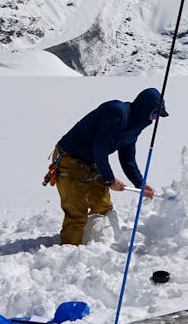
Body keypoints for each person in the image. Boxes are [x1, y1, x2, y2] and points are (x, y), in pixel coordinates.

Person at [48, 88, 168, 245]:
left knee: (102, 205)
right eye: (154, 114)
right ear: (143, 109)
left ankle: (99, 242)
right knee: (76, 211)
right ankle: (71, 251)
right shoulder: (117, 112)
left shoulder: (134, 128)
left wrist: (140, 184)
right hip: (70, 159)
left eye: (157, 116)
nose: (153, 120)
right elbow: (99, 149)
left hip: (91, 161)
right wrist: (110, 179)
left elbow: (127, 158)